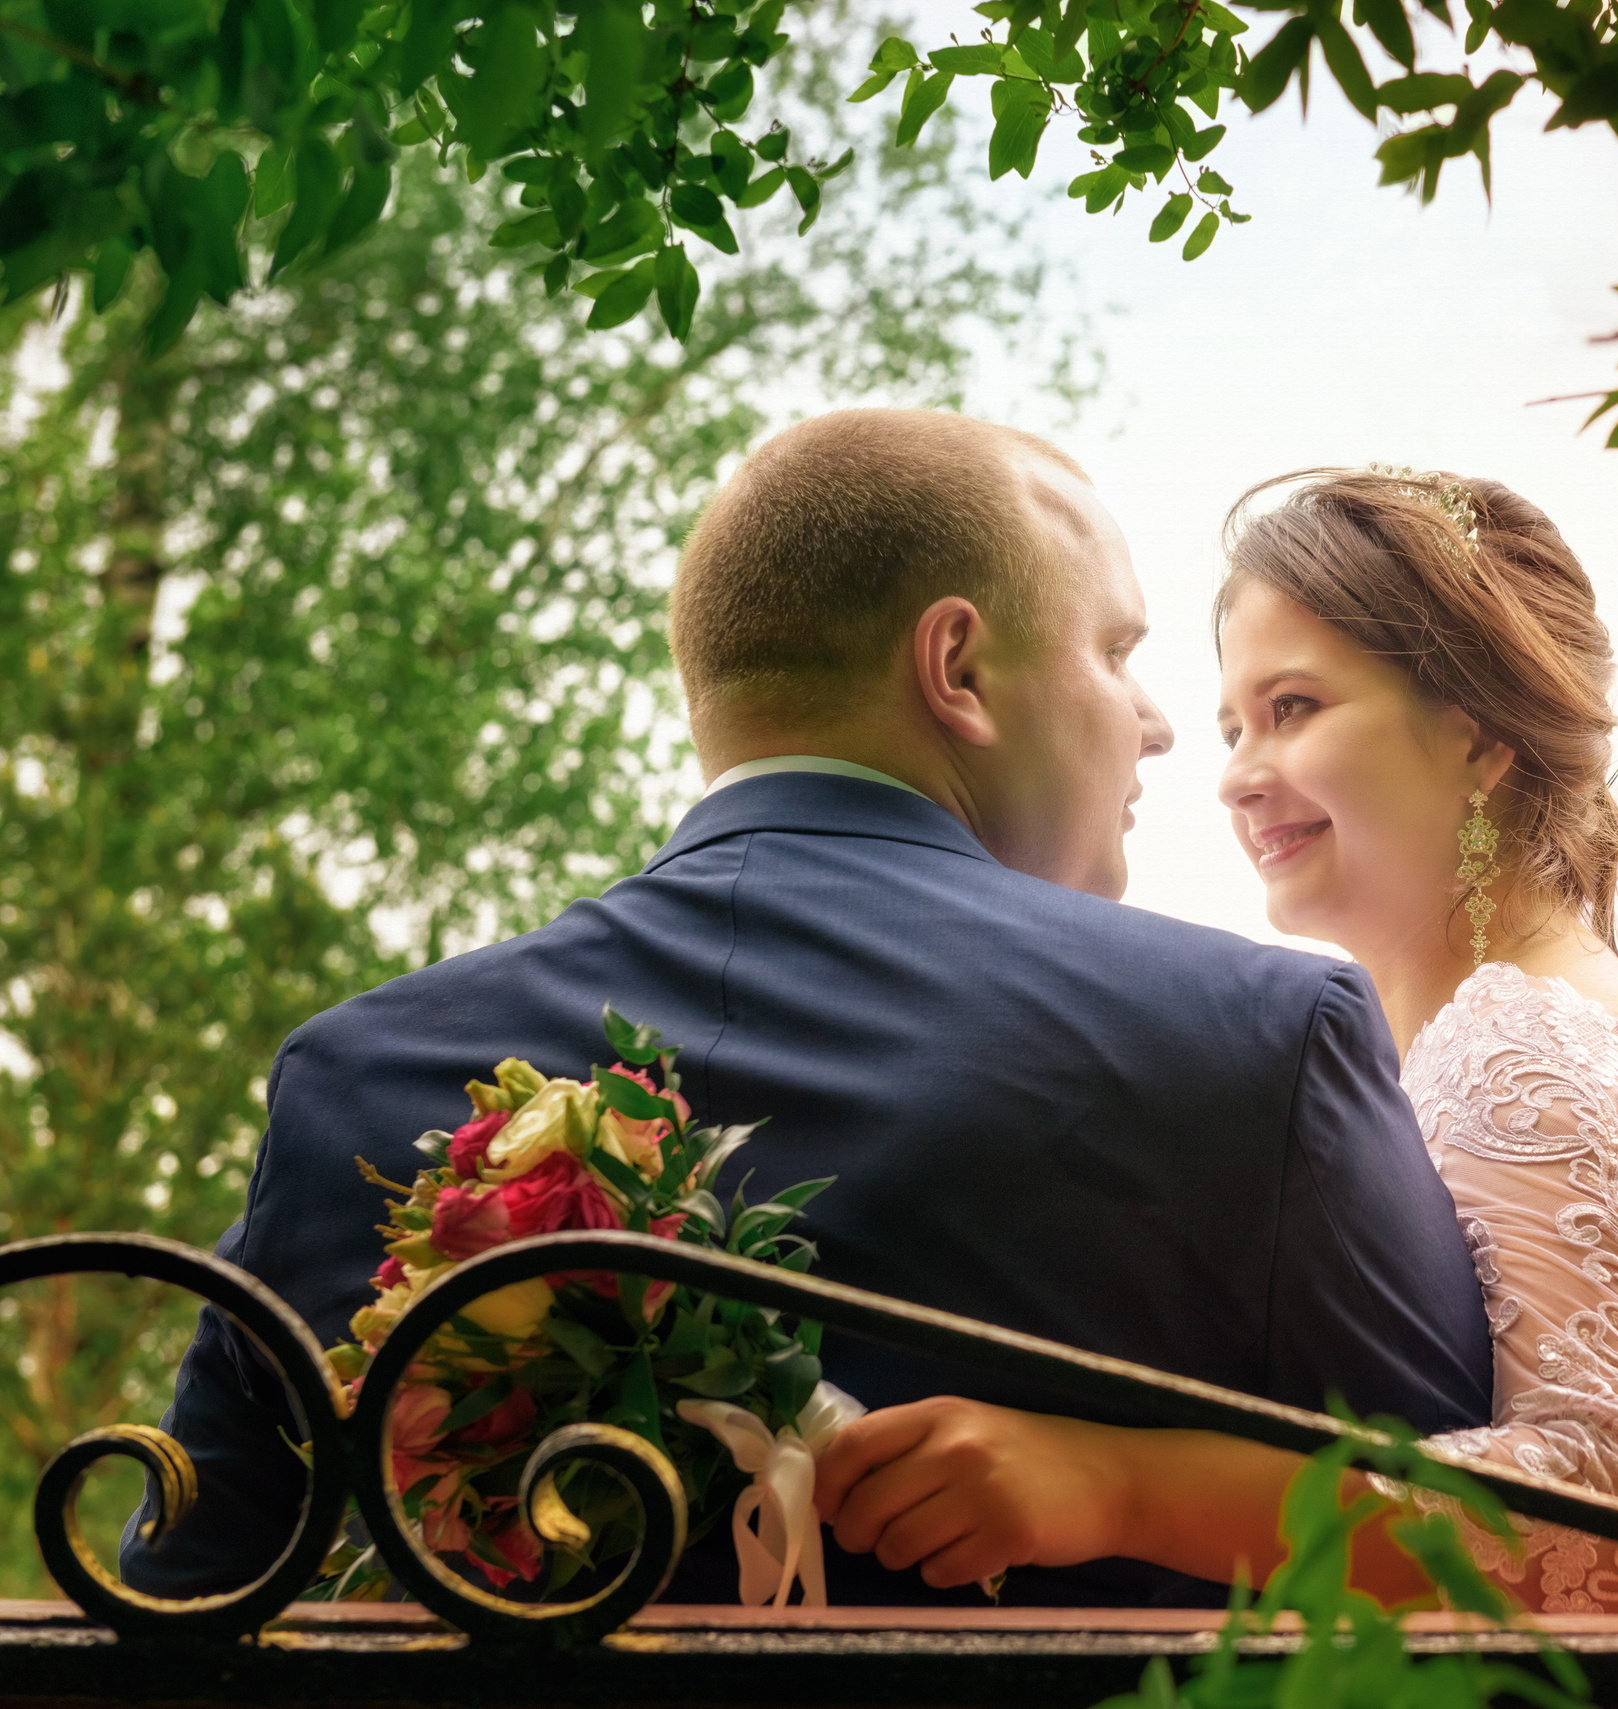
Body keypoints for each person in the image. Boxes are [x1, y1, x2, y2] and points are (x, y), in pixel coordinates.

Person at [119, 417, 1495, 1608]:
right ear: (956, 668)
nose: (1153, 724)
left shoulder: (356, 1081)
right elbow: (1494, 1567)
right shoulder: (1254, 1038)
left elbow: (181, 1605)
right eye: (1116, 650)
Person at [809, 469, 1618, 1614]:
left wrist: (1117, 1482)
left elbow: (1603, 1530)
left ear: (1476, 737)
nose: (1233, 775)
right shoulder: (1527, 1018)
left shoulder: (1521, 1046)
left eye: (1294, 709)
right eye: (1234, 724)